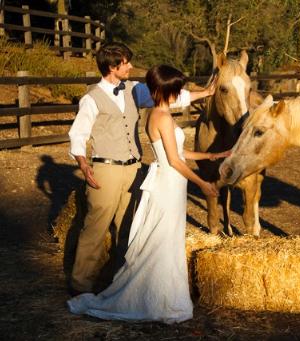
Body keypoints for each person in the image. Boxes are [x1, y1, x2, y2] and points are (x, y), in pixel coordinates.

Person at [67, 64, 228, 323]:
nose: (181, 93)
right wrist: (202, 183)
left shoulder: (161, 111)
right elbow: (175, 161)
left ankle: (165, 293)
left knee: (168, 238)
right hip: (168, 181)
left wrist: (211, 154)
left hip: (172, 182)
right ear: (166, 91)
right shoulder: (161, 117)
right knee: (162, 239)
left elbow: (177, 152)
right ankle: (156, 297)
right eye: (177, 89)